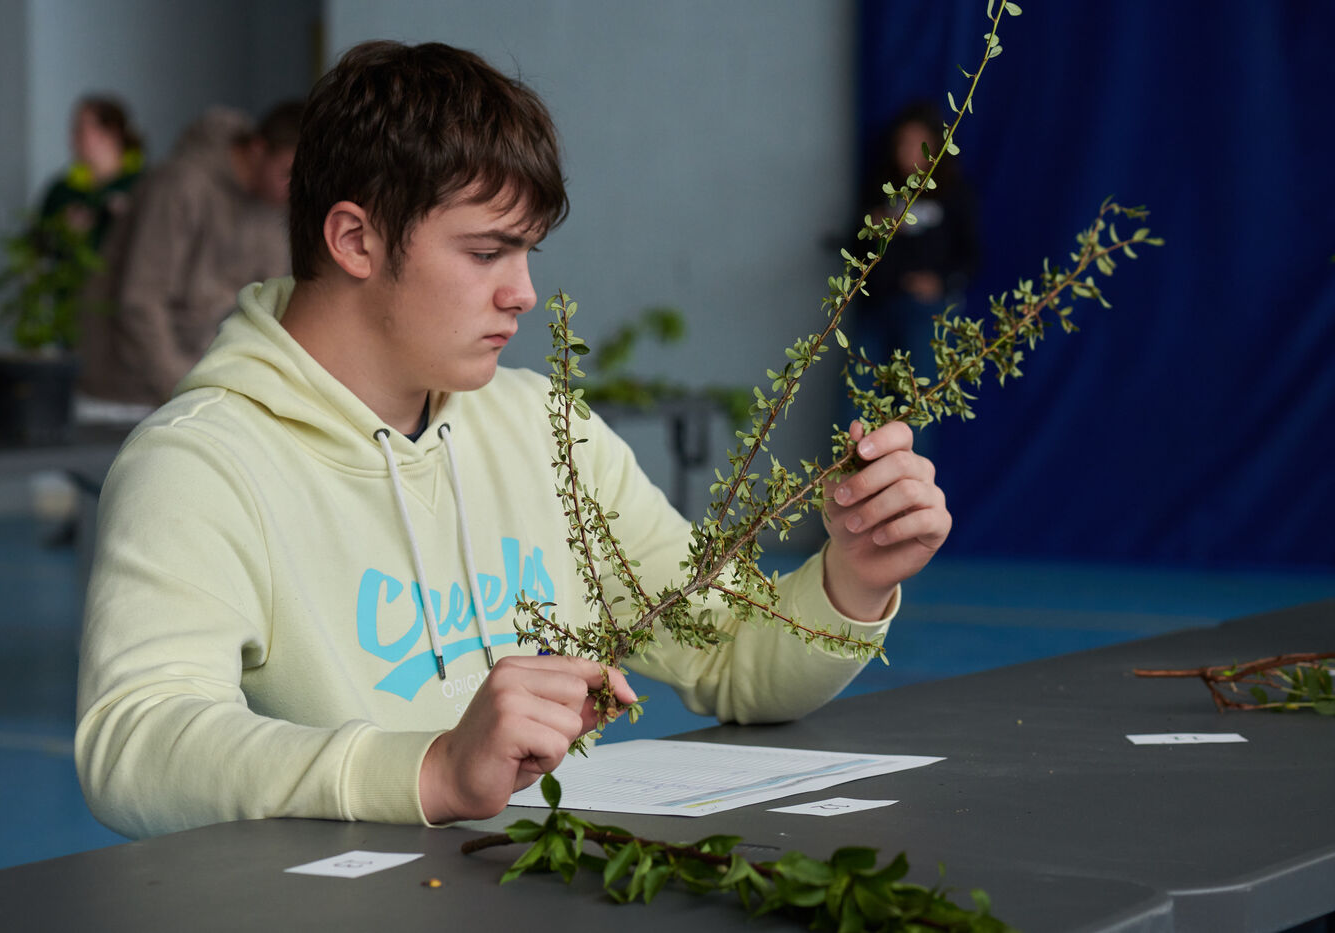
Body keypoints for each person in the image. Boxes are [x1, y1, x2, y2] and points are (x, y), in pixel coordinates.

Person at [75, 41, 952, 838]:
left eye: (527, 252)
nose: (524, 293)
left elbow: (730, 650)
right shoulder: (201, 461)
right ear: (354, 239)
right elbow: (135, 743)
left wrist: (853, 576)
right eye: (487, 253)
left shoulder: (544, 426)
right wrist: (430, 769)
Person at [76, 100, 304, 420]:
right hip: (132, 398)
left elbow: (272, 307)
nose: (294, 189)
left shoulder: (273, 207)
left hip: (207, 396)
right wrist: (187, 391)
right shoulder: (180, 184)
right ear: (257, 149)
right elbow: (141, 302)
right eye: (287, 173)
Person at [843, 101, 979, 447]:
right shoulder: (880, 189)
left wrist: (940, 282)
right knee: (858, 401)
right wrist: (874, 227)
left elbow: (971, 255)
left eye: (919, 144)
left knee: (917, 405)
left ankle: (908, 474)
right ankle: (853, 467)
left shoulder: (952, 192)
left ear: (935, 147)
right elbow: (853, 250)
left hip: (924, 314)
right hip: (876, 308)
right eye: (902, 143)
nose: (909, 152)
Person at [38, 95, 145, 250]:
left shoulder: (142, 184)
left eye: (82, 129)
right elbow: (35, 245)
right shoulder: (62, 190)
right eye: (74, 129)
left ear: (110, 133)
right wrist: (62, 229)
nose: (74, 137)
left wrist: (127, 218)